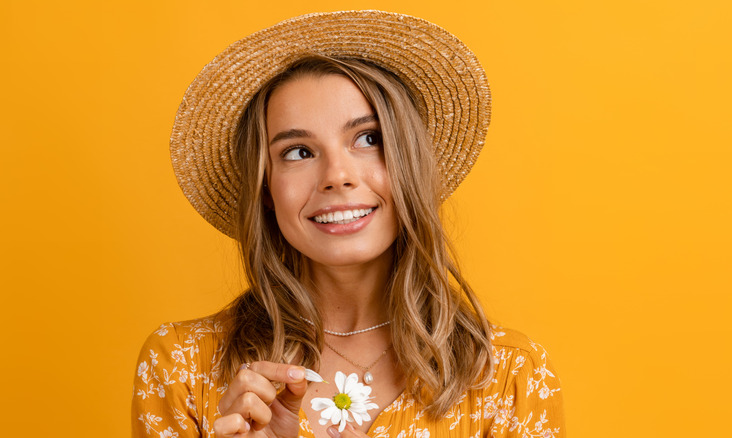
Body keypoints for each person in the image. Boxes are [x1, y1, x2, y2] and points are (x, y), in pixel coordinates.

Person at [132, 10, 564, 438]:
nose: (337, 175)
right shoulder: (181, 367)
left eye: (368, 139)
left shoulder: (510, 377)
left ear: (409, 164)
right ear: (267, 188)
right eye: (298, 151)